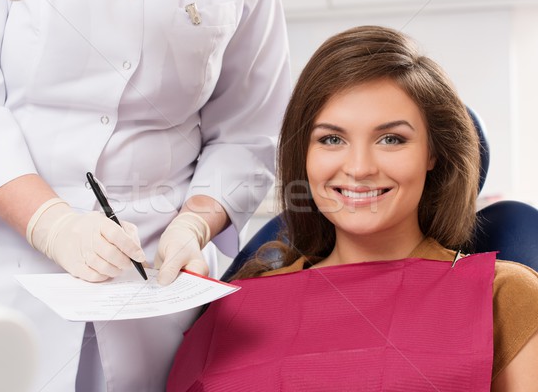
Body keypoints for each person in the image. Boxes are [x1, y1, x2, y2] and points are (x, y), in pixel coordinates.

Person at [0, 0, 291, 391]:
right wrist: (50, 225)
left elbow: (248, 130)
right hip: (2, 262)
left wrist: (195, 224)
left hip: (157, 275)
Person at [166, 25, 538, 391]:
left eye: (391, 139)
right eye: (331, 139)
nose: (359, 168)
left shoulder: (504, 296)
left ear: (432, 153)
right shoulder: (237, 309)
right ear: (304, 155)